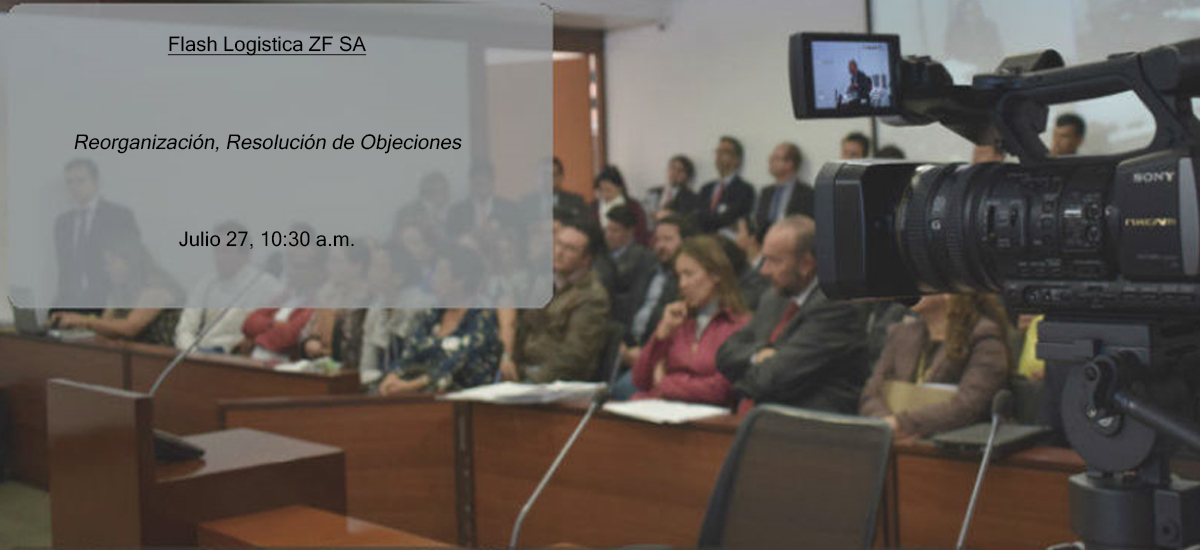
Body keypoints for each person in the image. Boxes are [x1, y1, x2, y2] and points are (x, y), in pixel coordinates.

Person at [716, 215, 868, 413]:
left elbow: (770, 380)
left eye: (774, 261)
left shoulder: (838, 306)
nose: (763, 270)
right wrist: (759, 354)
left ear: (806, 264)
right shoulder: (774, 297)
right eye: (764, 259)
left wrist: (742, 373)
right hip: (766, 416)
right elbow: (725, 354)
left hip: (810, 422)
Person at [859, 293, 1011, 439]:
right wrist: (885, 424)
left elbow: (970, 405)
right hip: (894, 441)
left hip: (954, 446)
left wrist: (901, 424)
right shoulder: (901, 334)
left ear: (949, 291)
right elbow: (870, 395)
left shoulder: (983, 335)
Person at [631, 236, 750, 406]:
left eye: (689, 274)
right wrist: (660, 336)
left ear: (715, 274)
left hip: (709, 417)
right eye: (679, 276)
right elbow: (640, 380)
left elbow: (722, 390)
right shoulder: (677, 320)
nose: (682, 284)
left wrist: (664, 383)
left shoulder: (738, 325)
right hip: (662, 409)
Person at [379, 246, 501, 394]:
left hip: (465, 397)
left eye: (441, 273)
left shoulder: (482, 317)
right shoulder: (434, 314)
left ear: (460, 281)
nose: (434, 279)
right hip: (421, 394)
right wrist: (393, 375)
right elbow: (411, 350)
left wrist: (412, 385)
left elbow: (457, 363)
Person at [502, 217, 610, 382]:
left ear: (587, 259)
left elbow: (574, 358)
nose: (559, 252)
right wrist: (508, 361)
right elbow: (523, 330)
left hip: (556, 381)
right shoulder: (544, 281)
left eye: (570, 249)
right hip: (524, 370)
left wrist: (528, 381)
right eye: (558, 244)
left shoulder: (592, 297)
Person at [174, 220, 284, 354]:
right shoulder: (206, 284)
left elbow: (278, 329)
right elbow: (185, 329)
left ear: (245, 254)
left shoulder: (268, 286)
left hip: (240, 359)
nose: (219, 258)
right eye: (217, 251)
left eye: (226, 251)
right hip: (200, 355)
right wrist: (193, 354)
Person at [51, 236, 183, 345]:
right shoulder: (120, 289)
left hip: (160, 357)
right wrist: (71, 322)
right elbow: (107, 323)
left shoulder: (156, 287)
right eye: (106, 264)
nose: (107, 269)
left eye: (112, 263)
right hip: (129, 354)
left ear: (130, 260)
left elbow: (130, 328)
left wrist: (82, 321)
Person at [53, 158, 141, 312]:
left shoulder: (119, 216)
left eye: (81, 181)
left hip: (109, 301)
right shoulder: (62, 223)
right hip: (71, 302)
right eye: (69, 182)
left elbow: (132, 260)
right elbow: (65, 268)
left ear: (96, 182)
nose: (74, 187)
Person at [605, 205, 658, 328]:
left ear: (630, 232)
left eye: (615, 231)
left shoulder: (643, 258)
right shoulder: (602, 254)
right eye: (607, 230)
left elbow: (635, 299)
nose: (608, 235)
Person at [697, 136, 756, 235]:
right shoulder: (706, 188)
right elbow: (697, 215)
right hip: (701, 236)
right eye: (718, 151)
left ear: (736, 159)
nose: (719, 155)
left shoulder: (745, 189)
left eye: (724, 152)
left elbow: (729, 218)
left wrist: (706, 219)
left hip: (726, 238)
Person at [446, 161, 518, 239]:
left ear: (493, 181)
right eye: (478, 182)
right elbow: (451, 238)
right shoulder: (457, 211)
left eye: (486, 180)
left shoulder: (509, 209)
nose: (482, 181)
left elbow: (516, 236)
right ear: (471, 182)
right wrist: (470, 236)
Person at [755, 142, 814, 231]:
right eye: (771, 158)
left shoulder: (806, 193)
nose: (770, 161)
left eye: (776, 158)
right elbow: (759, 221)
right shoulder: (766, 192)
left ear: (789, 164)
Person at [590, 165, 650, 246]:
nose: (604, 195)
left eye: (608, 190)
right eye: (601, 190)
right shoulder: (593, 208)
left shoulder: (633, 207)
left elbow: (641, 235)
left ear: (619, 188)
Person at [644, 155, 702, 221]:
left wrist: (672, 215)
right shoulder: (653, 191)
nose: (675, 173)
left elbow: (689, 219)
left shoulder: (691, 198)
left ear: (687, 176)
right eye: (672, 168)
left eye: (680, 170)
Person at [733, 217, 768, 311]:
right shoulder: (742, 265)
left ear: (752, 238)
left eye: (739, 233)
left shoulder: (766, 269)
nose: (736, 238)